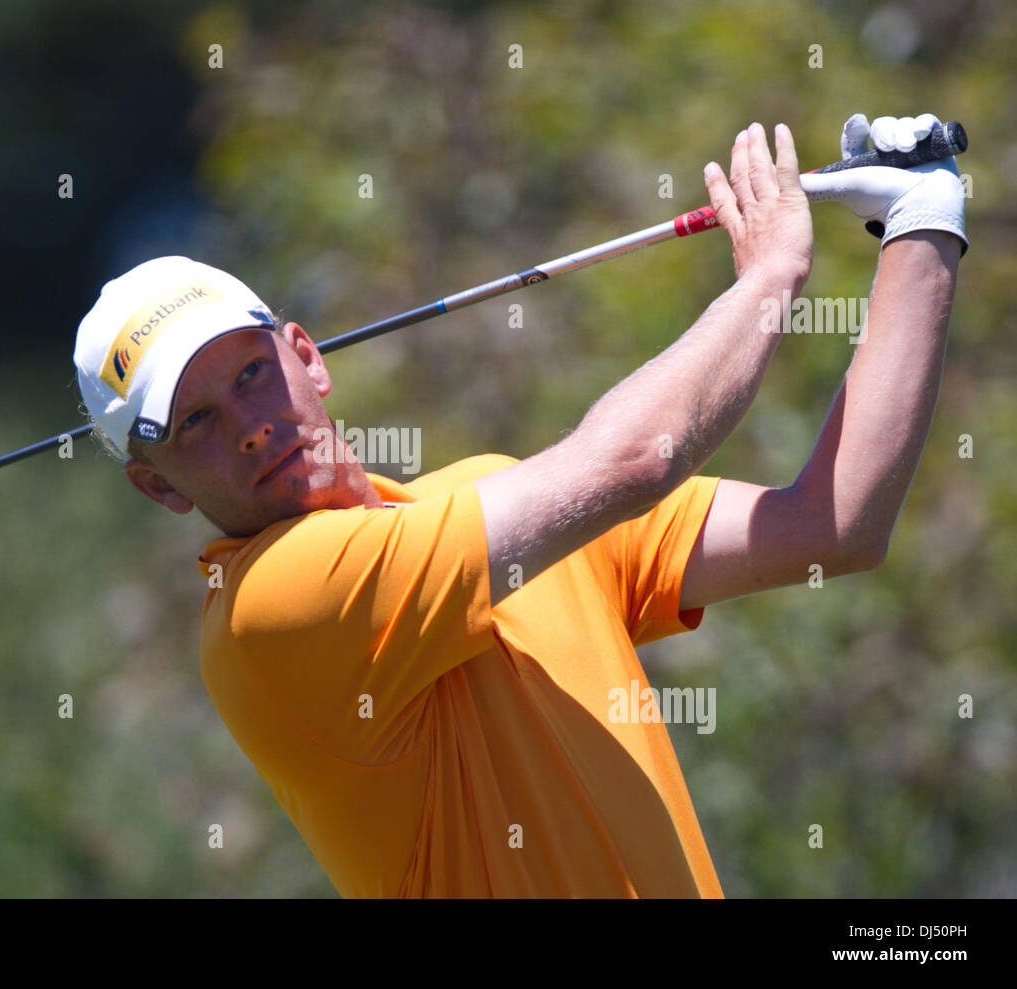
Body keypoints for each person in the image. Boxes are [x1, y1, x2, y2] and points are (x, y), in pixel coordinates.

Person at [71, 113, 965, 897]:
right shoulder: (269, 610)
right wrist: (768, 281)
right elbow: (635, 456)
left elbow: (835, 524)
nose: (252, 427)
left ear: (307, 357)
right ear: (155, 484)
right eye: (195, 422)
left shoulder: (491, 500)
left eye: (254, 373)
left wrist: (920, 224)